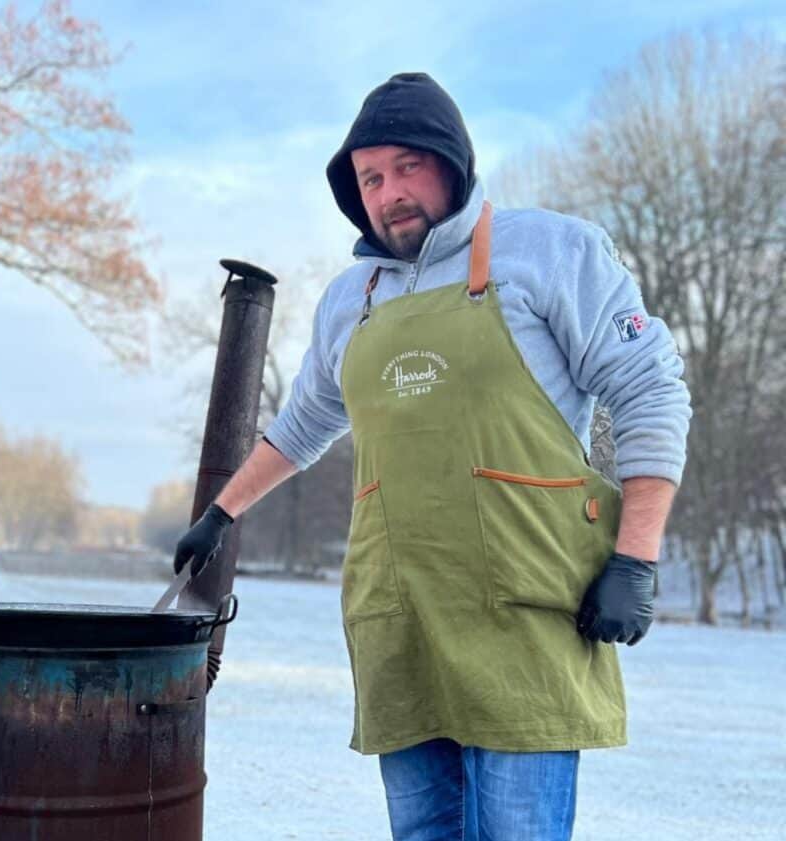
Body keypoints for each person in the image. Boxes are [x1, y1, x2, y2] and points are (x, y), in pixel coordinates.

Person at [173, 72, 691, 841]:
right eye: (370, 177)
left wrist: (636, 557)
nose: (390, 192)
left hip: (524, 620)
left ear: (454, 160)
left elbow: (652, 390)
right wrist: (222, 510)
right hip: (402, 622)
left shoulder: (552, 250)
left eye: (407, 165)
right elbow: (306, 423)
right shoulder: (353, 297)